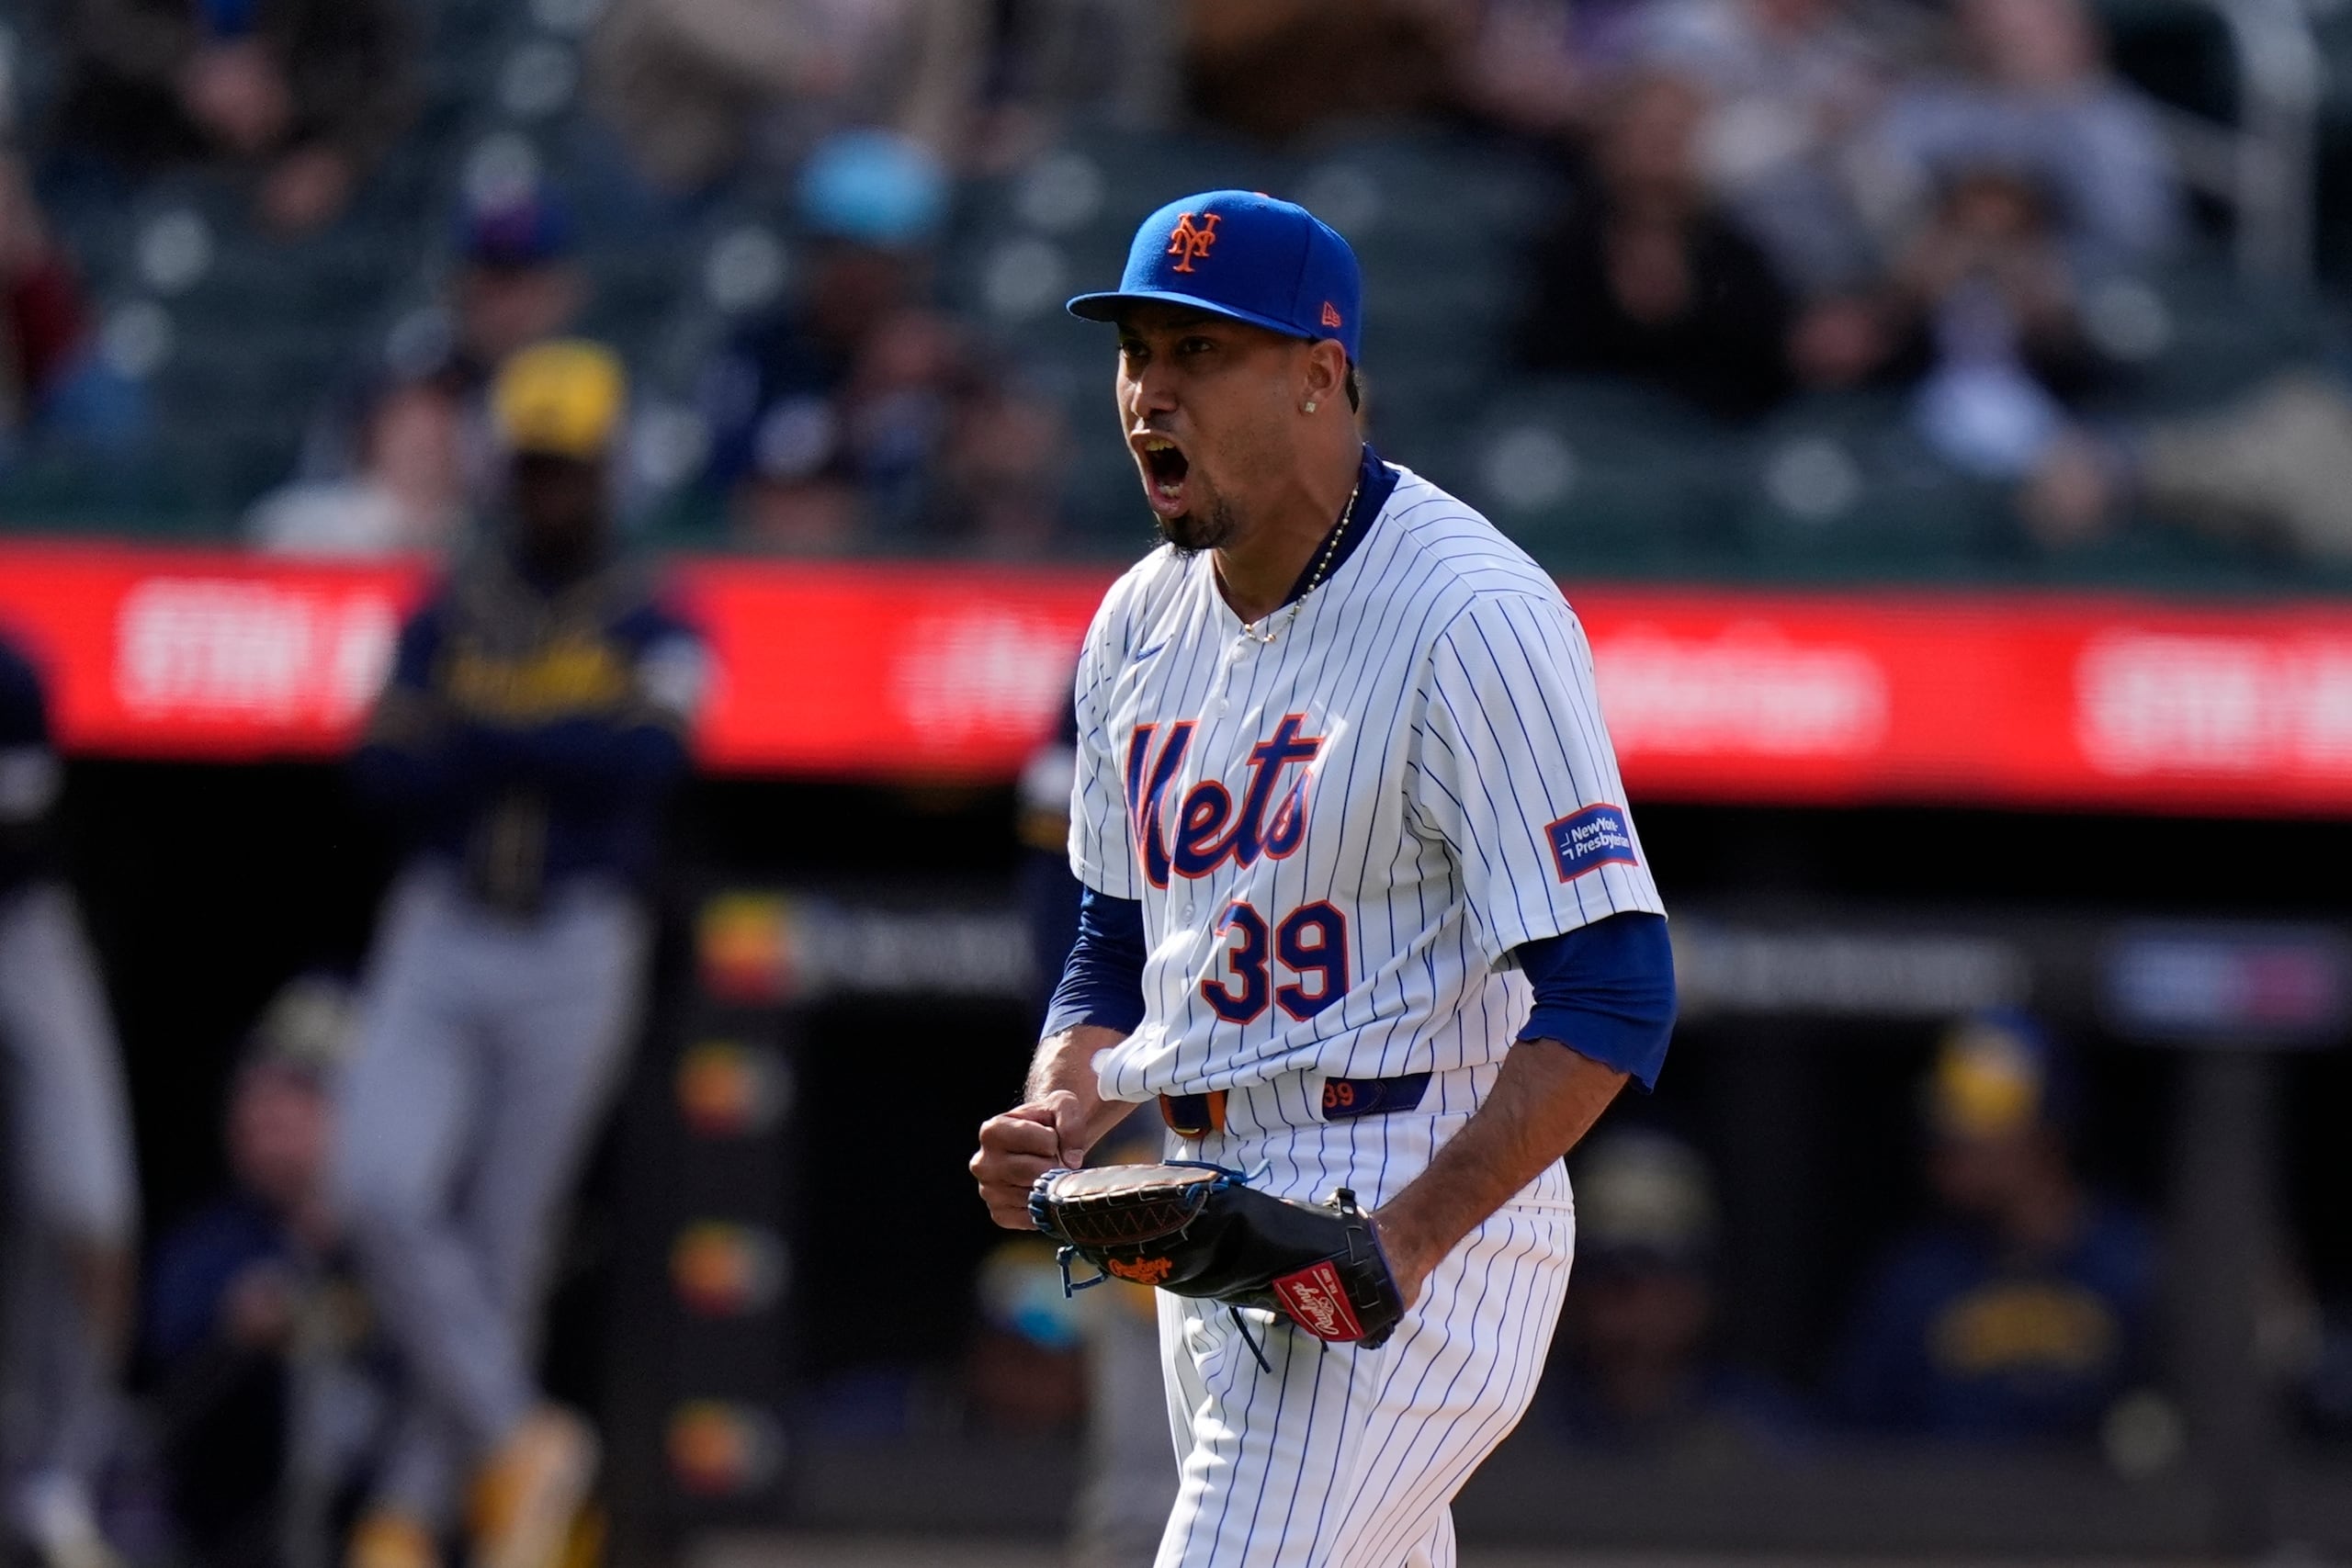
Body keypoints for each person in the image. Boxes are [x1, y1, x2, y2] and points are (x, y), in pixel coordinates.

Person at [967, 190, 1678, 1565]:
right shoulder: (1133, 625)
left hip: (1410, 1187)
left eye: (1199, 354)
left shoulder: (1469, 612)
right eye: (1136, 354)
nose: (1150, 395)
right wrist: (1061, 1108)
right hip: (1205, 1206)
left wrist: (1409, 1238)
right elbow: (1114, 950)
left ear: (1319, 375)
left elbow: (1616, 985)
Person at [333, 341, 708, 1568]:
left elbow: (647, 763)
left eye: (569, 467)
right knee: (376, 1182)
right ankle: (518, 1441)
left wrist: (485, 733)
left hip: (575, 938)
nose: (549, 489)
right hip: (443, 922)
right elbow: (382, 765)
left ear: (605, 469)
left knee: (506, 1240)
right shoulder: (454, 602)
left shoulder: (654, 608)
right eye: (534, 466)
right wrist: (551, 732)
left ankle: (407, 1514)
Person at [144, 976, 382, 1568]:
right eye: (253, 1088)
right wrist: (235, 1323)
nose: (262, 1109)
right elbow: (158, 1341)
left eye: (297, 1090)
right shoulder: (215, 1241)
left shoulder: (405, 1251)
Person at [1832, 1011, 2156, 1442]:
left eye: (1982, 1125)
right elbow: (1850, 1439)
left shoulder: (2134, 1267)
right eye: (1948, 1122)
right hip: (1941, 1507)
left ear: (2047, 1134)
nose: (1952, 1143)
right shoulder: (1916, 1279)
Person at [0, 630, 139, 1568]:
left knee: (90, 1207)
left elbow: (24, 836)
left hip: (20, 924)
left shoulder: (9, 676)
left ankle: (58, 1472)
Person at [1517, 70, 1799, 421]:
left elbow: (1761, 368)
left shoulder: (1738, 256)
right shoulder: (1558, 239)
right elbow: (1539, 354)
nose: (1662, 149)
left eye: (1679, 133)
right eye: (1648, 132)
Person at [1545, 1127, 1809, 1459]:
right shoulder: (1506, 1431)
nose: (1628, 1301)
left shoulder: (1764, 1445)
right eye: (1605, 1271)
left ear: (1700, 1288)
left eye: (1651, 1268)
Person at [55, 0, 415, 232]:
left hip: (294, 162)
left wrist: (338, 158)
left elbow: (390, 67)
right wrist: (192, 66)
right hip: (136, 153)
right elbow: (84, 20)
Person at [250, 379, 466, 557]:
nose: (424, 448)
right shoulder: (301, 521)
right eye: (409, 433)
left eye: (437, 435)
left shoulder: (475, 534)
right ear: (373, 438)